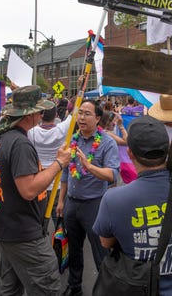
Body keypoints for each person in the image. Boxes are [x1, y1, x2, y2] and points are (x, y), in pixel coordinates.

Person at [93, 115, 172, 296]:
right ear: (168, 149)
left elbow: (106, 242)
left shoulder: (113, 200)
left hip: (143, 287)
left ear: (130, 153)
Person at [0, 85, 71, 295]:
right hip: (23, 232)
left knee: (12, 288)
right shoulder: (19, 143)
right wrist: (58, 163)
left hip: (8, 226)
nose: (42, 115)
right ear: (30, 115)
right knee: (47, 287)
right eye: (40, 111)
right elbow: (29, 190)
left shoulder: (1, 137)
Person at [57, 99, 120, 296]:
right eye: (80, 113)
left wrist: (89, 166)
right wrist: (61, 201)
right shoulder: (72, 140)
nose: (81, 118)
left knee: (101, 252)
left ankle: (105, 290)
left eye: (87, 114)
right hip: (71, 204)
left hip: (95, 206)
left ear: (98, 118)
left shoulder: (107, 142)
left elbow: (112, 175)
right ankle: (74, 286)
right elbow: (66, 173)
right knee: (74, 249)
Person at [28, 105, 72, 225]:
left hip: (38, 181)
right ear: (56, 115)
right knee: (58, 222)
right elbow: (75, 112)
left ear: (40, 115)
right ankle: (58, 242)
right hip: (57, 182)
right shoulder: (63, 129)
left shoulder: (31, 132)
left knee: (39, 222)